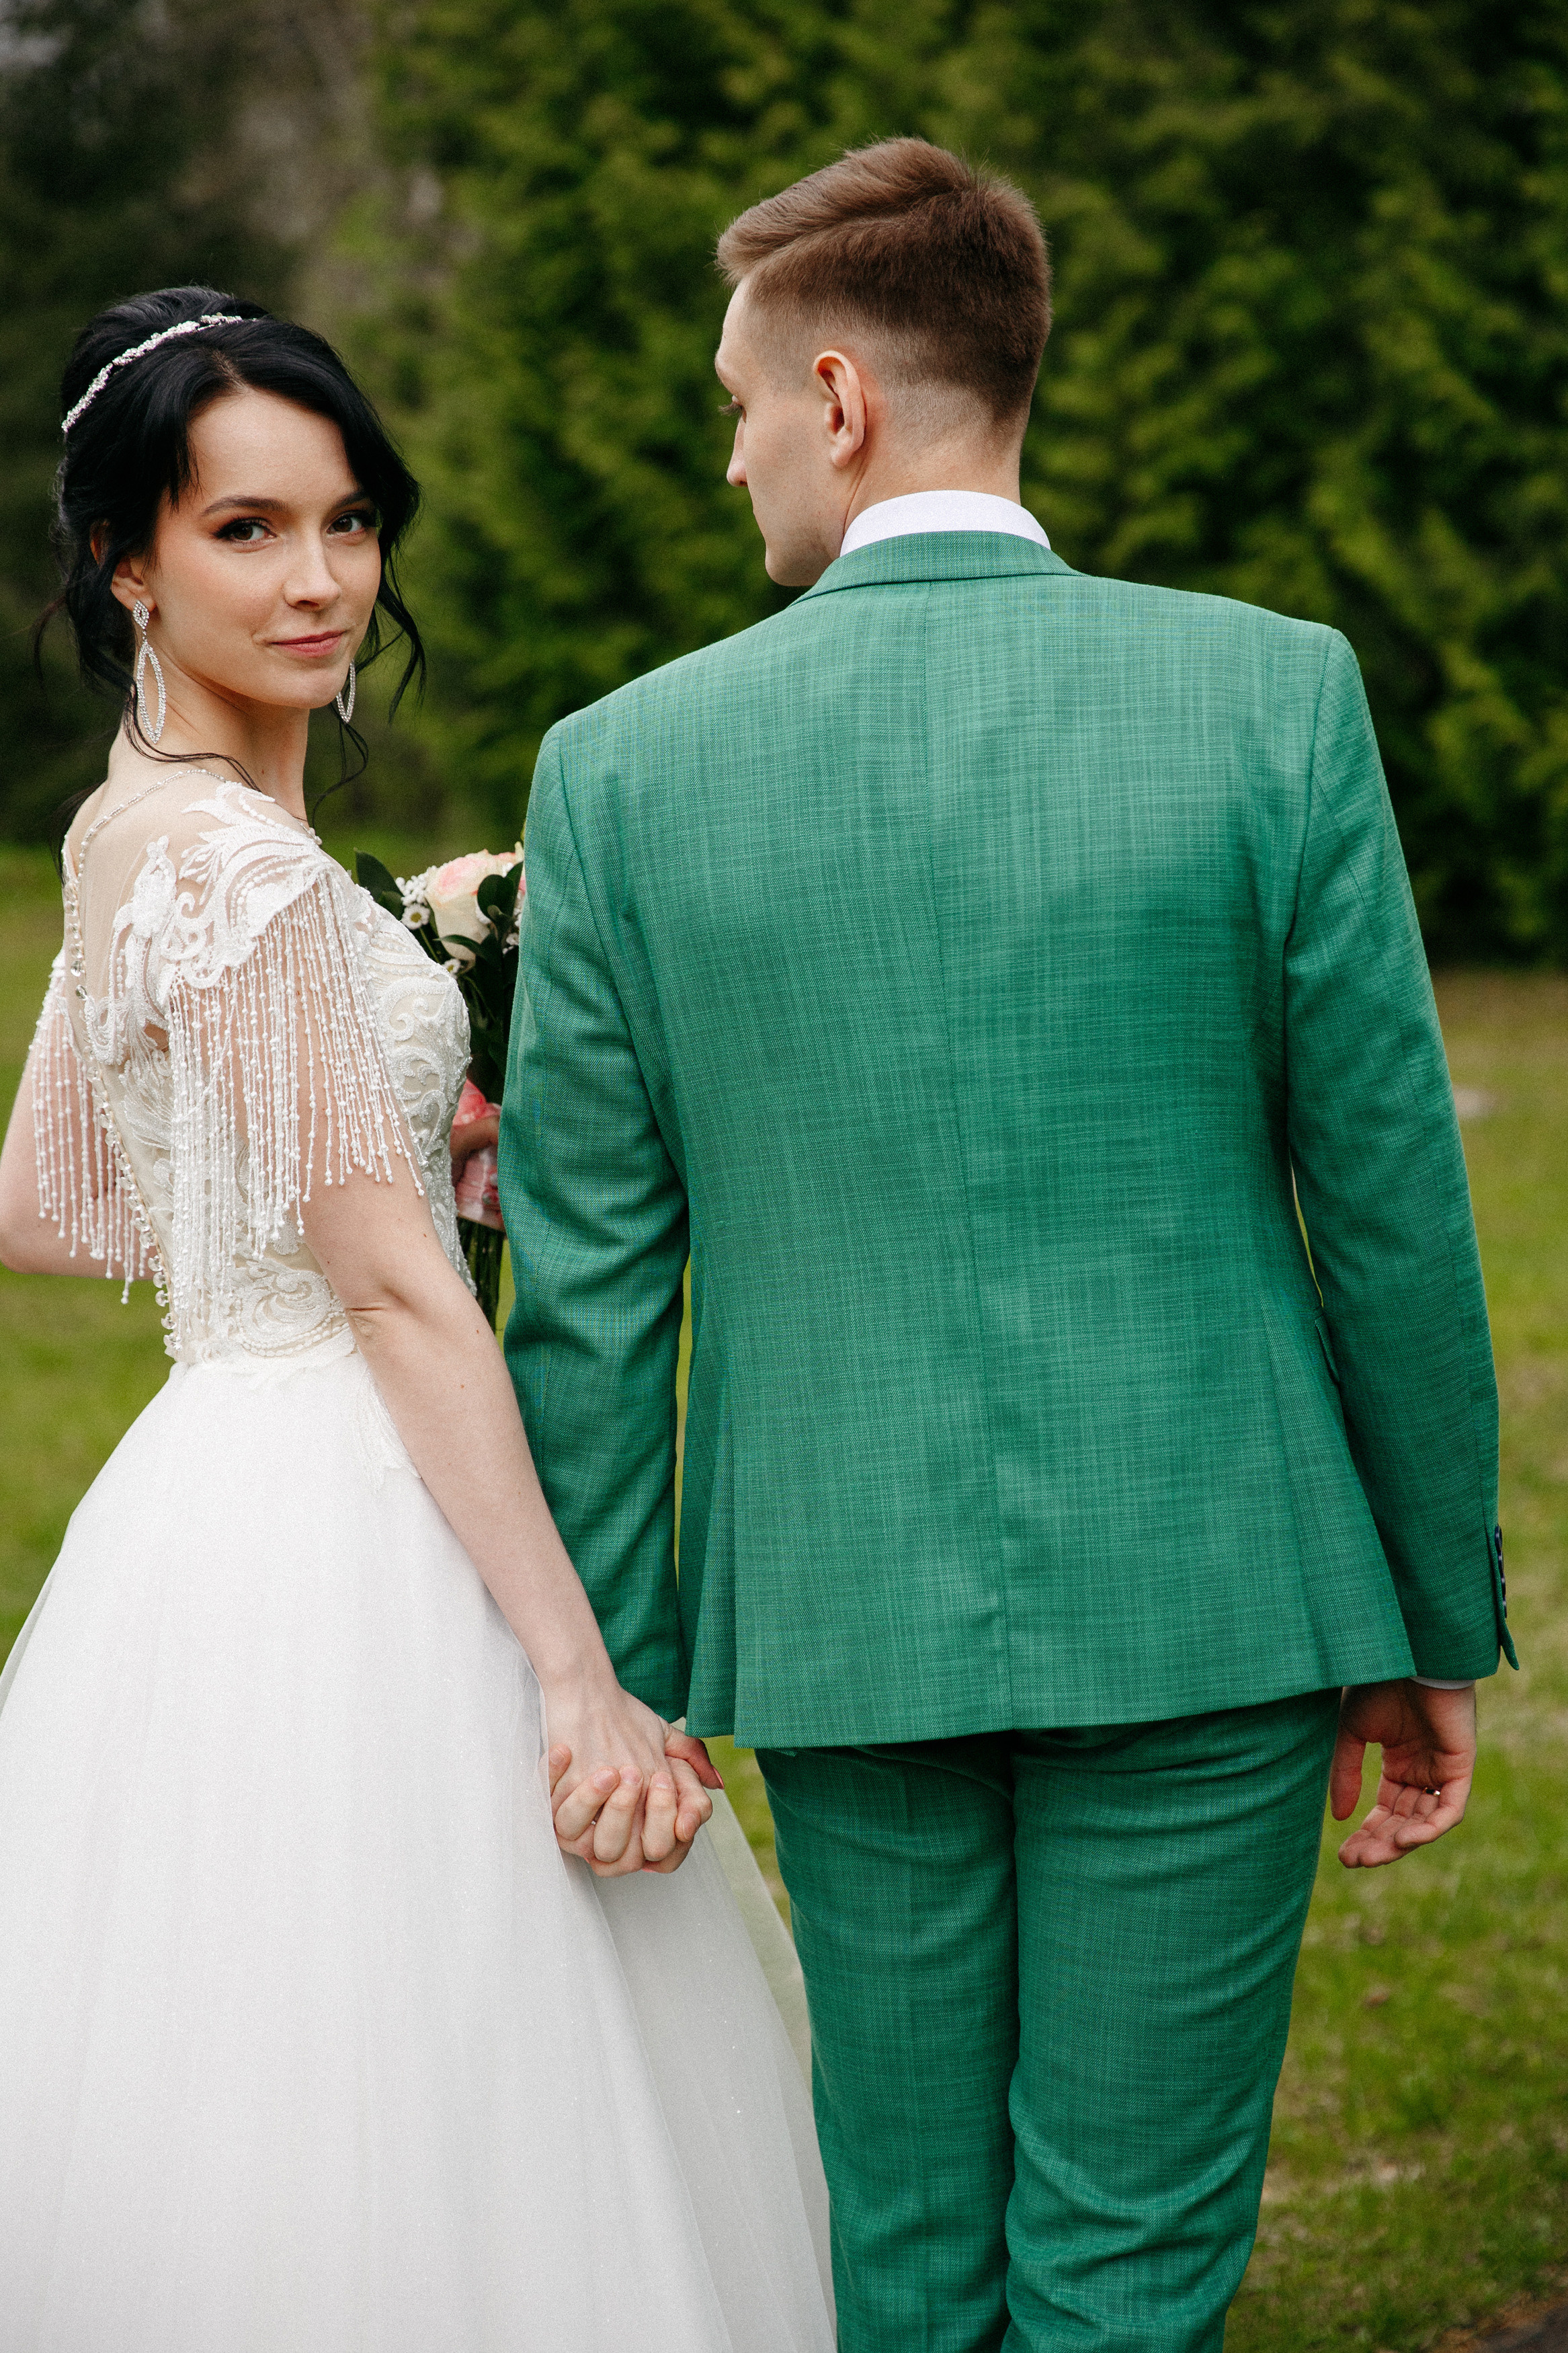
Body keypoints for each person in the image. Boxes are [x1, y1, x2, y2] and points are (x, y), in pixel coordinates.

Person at [500, 138, 1513, 2352]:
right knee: (1127, 2264)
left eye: (741, 400)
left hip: (837, 1616)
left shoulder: (622, 770)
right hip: (1222, 1594)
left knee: (914, 2246)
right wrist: (1430, 1612)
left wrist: (630, 1665)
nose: (733, 448)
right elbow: (1392, 1208)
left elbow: (588, 1286)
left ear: (844, 397)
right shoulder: (1273, 695)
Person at [0, 288, 834, 2352]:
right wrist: (579, 1672)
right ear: (129, 560)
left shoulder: (131, 832)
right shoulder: (251, 874)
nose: (323, 583)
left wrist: (387, 1139)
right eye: (249, 531)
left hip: (199, 1491)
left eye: (350, 523)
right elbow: (386, 1293)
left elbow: (49, 1198)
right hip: (359, 1507)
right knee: (430, 2054)